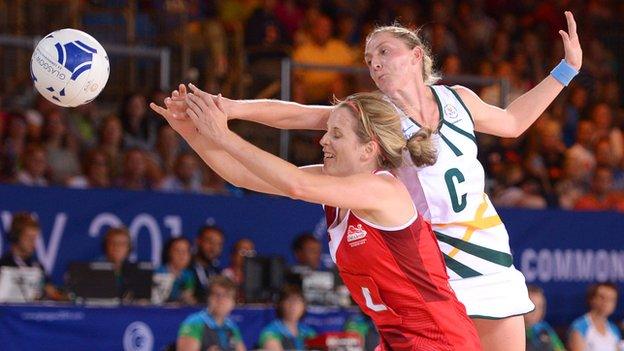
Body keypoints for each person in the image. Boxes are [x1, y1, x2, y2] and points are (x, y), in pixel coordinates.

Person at [160, 11, 583, 350]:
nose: (375, 63)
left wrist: (565, 70)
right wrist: (228, 108)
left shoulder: (459, 99)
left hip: (488, 257)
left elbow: (513, 121)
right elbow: (296, 113)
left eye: (383, 52)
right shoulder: (371, 117)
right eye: (368, 59)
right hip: (430, 264)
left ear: (416, 55)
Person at [152, 89, 481, 349]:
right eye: (327, 131)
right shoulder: (334, 184)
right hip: (397, 340)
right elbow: (241, 176)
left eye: (336, 134)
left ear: (368, 149)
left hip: (440, 340)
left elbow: (296, 185)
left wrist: (224, 135)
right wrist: (191, 133)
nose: (323, 140)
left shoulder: (383, 189)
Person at [0, 212, 65, 300]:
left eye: (35, 239)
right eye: (29, 238)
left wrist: (56, 295)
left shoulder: (37, 266)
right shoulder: (3, 265)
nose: (33, 244)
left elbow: (53, 293)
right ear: (16, 237)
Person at [177, 275, 246, 351]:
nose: (221, 300)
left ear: (233, 303)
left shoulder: (232, 327)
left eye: (227, 296)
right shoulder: (194, 323)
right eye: (217, 295)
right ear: (209, 298)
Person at [258, 286, 316, 350]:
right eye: (289, 300)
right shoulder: (271, 332)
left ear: (304, 306)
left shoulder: (309, 332)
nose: (293, 306)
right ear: (280, 304)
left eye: (298, 301)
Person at [568, 283, 621, 351]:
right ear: (592, 299)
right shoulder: (579, 327)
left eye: (611, 299)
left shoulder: (614, 329)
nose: (606, 302)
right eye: (602, 298)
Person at [156, 237, 197, 305]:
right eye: (178, 251)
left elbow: (188, 295)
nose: (182, 255)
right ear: (169, 253)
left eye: (186, 251)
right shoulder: (158, 272)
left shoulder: (189, 275)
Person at [524, 285, 565, 351]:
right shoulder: (513, 329)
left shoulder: (544, 328)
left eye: (540, 306)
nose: (536, 312)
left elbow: (560, 349)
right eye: (533, 306)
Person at [192, 225, 225, 301]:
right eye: (210, 242)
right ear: (198, 241)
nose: (213, 248)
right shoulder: (186, 269)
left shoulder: (219, 273)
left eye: (219, 244)